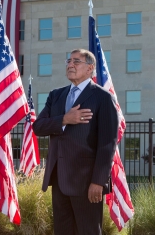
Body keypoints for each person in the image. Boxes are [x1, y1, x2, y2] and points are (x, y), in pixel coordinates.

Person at [33, 49, 118, 235]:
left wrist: (98, 181)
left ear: (90, 68)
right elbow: (38, 127)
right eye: (69, 61)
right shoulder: (56, 95)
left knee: (88, 231)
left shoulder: (103, 98)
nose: (70, 65)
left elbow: (107, 144)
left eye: (76, 61)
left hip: (87, 183)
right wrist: (64, 119)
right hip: (58, 179)